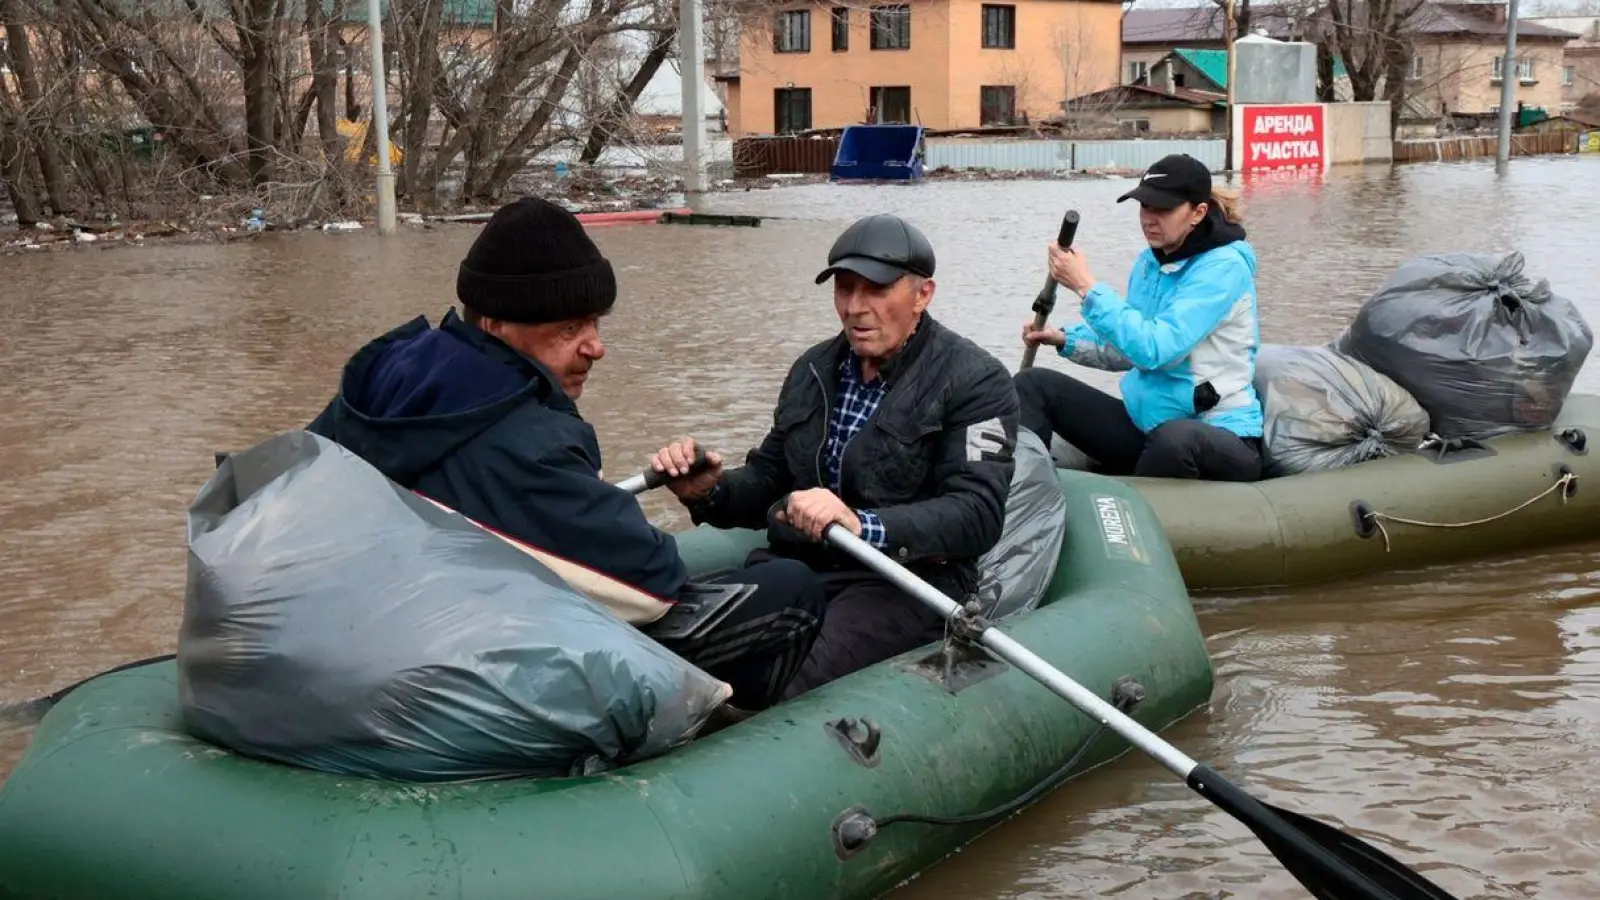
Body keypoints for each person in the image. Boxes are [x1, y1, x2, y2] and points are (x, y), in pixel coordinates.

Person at [303, 196, 826, 712]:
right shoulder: (524, 436)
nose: (595, 347)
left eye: (596, 323)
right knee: (790, 590)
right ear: (496, 325)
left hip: (364, 627)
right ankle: (722, 737)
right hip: (458, 667)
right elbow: (649, 584)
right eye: (569, 328)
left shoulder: (388, 369)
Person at [649, 213, 1020, 700]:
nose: (856, 308)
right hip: (798, 569)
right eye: (845, 289)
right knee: (673, 650)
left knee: (781, 683)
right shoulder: (813, 369)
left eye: (875, 290)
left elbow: (977, 514)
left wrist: (862, 525)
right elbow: (770, 477)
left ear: (922, 294)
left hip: (904, 583)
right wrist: (711, 491)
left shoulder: (976, 381)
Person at [1015, 153, 1265, 482]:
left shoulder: (1224, 268)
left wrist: (1085, 286)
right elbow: (1130, 350)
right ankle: (1022, 496)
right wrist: (1065, 339)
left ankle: (1128, 516)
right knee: (1032, 385)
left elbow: (1156, 348)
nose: (1149, 218)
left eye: (1162, 209)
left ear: (1198, 212)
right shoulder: (1150, 263)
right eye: (1144, 206)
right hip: (1146, 426)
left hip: (1218, 435)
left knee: (1175, 439)